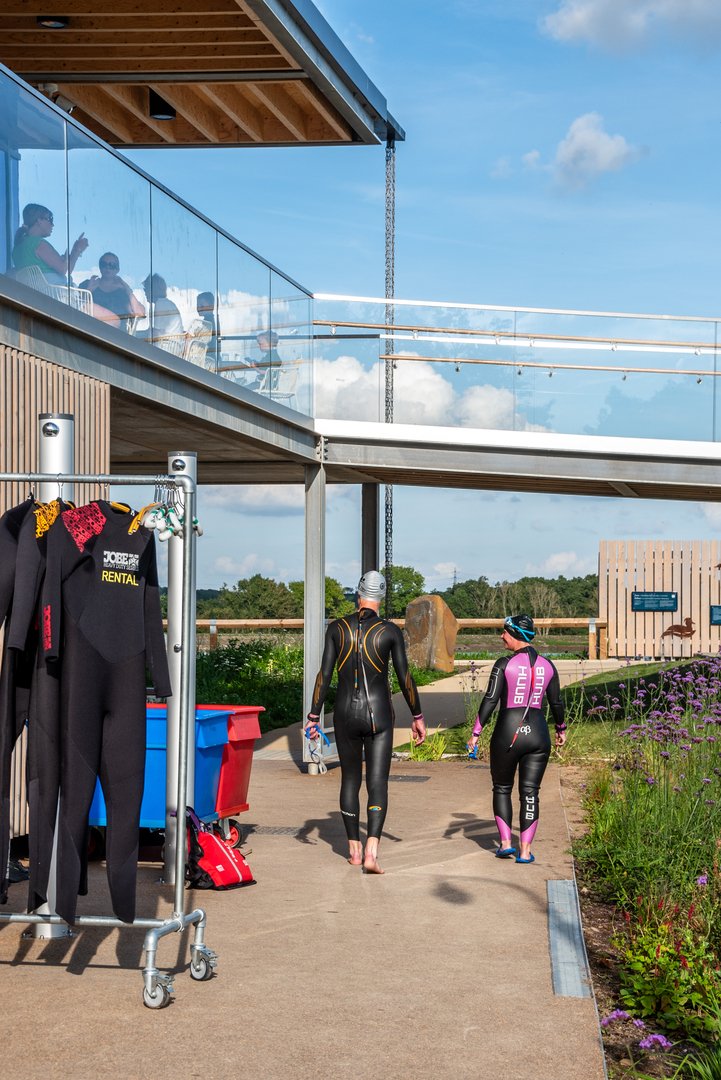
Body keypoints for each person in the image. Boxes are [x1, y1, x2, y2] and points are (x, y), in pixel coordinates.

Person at [305, 570, 426, 874]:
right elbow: (405, 678)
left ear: (358, 593)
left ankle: (353, 851)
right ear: (381, 598)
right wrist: (417, 716)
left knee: (349, 780)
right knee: (377, 782)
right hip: (379, 716)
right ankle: (372, 851)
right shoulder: (389, 631)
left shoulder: (336, 628)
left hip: (345, 714)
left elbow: (324, 675)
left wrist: (312, 716)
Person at [467, 615, 566, 864]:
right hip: (539, 734)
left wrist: (476, 733)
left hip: (508, 733)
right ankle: (524, 851)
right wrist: (561, 728)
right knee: (530, 792)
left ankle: (505, 845)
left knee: (502, 787)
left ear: (514, 634)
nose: (502, 636)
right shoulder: (548, 665)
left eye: (505, 632)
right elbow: (556, 702)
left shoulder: (504, 664)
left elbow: (490, 700)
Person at [12, 203, 88, 286]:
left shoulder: (17, 249)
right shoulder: (39, 244)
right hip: (52, 295)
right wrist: (77, 250)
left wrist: (66, 257)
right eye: (50, 219)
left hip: (32, 295)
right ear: (39, 221)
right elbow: (64, 269)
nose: (52, 224)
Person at [79, 252, 146, 333]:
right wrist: (89, 290)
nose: (107, 267)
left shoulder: (122, 293)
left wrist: (127, 289)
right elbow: (77, 307)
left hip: (115, 338)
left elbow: (139, 313)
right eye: (104, 264)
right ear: (100, 267)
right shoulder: (88, 284)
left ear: (117, 269)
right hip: (89, 332)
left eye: (112, 265)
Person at [138, 273, 184, 346]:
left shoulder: (161, 304)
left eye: (146, 289)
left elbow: (157, 332)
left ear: (154, 289)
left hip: (166, 348)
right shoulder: (166, 303)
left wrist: (136, 336)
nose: (145, 293)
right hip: (171, 347)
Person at [196, 291, 220, 365]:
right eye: (197, 305)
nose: (199, 308)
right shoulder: (210, 320)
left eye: (202, 305)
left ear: (211, 306)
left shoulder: (208, 322)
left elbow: (203, 339)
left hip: (207, 359)